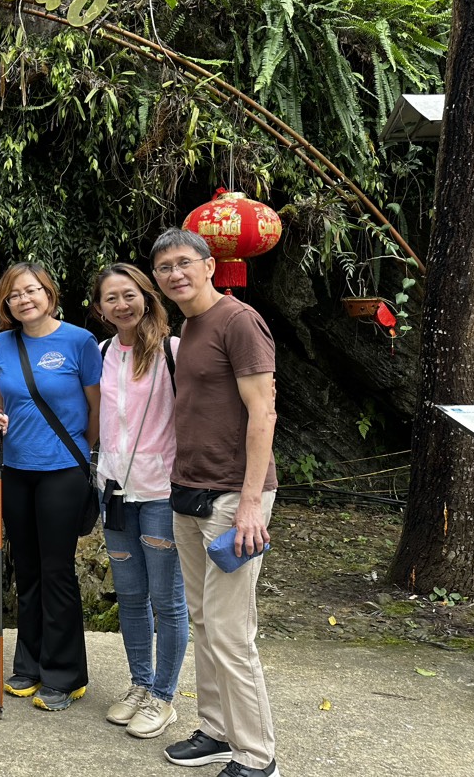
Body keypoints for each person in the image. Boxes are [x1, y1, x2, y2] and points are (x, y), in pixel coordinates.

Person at [149, 229, 280, 777]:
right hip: (190, 491)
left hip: (234, 497)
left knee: (230, 632)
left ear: (208, 265)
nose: (175, 274)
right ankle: (217, 730)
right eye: (164, 269)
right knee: (203, 620)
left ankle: (258, 757)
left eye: (184, 263)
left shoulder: (238, 320)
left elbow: (263, 413)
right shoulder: (189, 326)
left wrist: (251, 504)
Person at [0, 261, 102, 712]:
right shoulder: (0, 344)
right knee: (26, 570)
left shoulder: (79, 341)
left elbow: (96, 411)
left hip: (62, 471)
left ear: (49, 293)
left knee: (57, 570)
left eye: (31, 291)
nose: (23, 299)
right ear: (6, 303)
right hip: (15, 468)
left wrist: (78, 453)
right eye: (14, 294)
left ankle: (65, 674)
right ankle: (29, 665)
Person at [90, 262, 188, 739]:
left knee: (166, 600)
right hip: (113, 490)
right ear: (100, 308)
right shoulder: (101, 352)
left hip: (161, 491)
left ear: (147, 297)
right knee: (130, 596)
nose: (121, 304)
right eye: (111, 298)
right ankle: (139, 685)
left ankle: (164, 697)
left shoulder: (175, 351)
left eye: (129, 295)